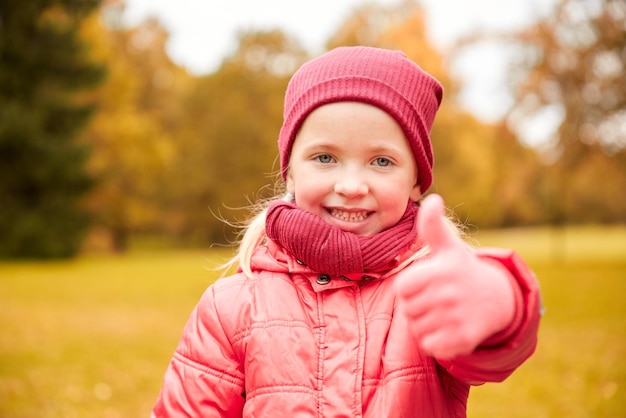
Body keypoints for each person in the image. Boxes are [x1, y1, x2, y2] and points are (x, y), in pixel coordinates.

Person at [151, 46, 542, 417]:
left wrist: (499, 303)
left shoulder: (429, 289)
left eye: (382, 161)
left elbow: (491, 355)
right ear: (290, 170)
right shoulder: (232, 306)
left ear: (416, 182)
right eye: (325, 158)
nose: (352, 185)